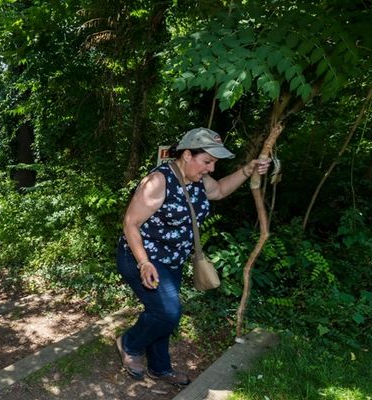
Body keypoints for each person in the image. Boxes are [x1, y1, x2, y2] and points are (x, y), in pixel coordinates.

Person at [115, 127, 271, 386]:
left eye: (214, 163)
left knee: (164, 312)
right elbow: (130, 223)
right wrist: (143, 262)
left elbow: (219, 190)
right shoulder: (158, 182)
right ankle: (129, 344)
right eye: (207, 161)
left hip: (172, 261)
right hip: (141, 258)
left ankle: (160, 368)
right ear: (187, 155)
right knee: (167, 312)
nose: (211, 169)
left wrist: (247, 171)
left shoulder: (198, 181)